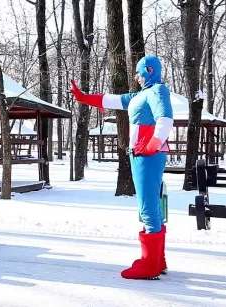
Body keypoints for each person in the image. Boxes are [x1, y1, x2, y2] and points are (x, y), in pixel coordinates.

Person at [70, 55, 174, 280]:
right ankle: (157, 260)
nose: (136, 77)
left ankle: (149, 265)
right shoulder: (140, 95)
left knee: (147, 208)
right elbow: (111, 100)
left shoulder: (157, 91)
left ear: (149, 70)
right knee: (151, 206)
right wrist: (82, 97)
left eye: (139, 73)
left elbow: (165, 120)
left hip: (146, 155)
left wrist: (152, 145)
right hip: (142, 154)